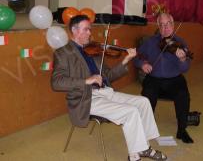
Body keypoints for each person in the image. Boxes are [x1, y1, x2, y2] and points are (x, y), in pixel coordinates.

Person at [51, 15, 167, 161]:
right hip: (86, 98)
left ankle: (143, 147)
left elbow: (109, 76)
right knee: (130, 112)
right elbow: (56, 82)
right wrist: (86, 80)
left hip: (106, 92)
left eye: (90, 30)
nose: (89, 33)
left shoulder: (93, 50)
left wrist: (126, 59)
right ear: (74, 30)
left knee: (143, 102)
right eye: (86, 29)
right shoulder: (63, 53)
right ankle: (135, 155)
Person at [134, 13, 194, 144]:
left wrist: (183, 59)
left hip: (174, 79)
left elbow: (185, 69)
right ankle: (145, 129)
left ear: (173, 25)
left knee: (183, 95)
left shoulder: (180, 43)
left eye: (168, 24)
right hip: (154, 79)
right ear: (158, 26)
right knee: (146, 96)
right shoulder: (150, 42)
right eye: (161, 25)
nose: (165, 28)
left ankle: (182, 130)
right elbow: (137, 56)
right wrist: (142, 64)